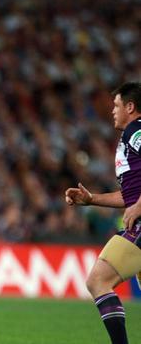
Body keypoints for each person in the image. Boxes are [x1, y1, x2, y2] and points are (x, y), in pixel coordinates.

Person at [65, 82, 141, 344]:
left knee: (98, 281)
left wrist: (140, 205)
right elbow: (128, 196)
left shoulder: (137, 131)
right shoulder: (128, 139)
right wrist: (91, 199)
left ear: (130, 107)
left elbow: (135, 201)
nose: (113, 111)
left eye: (117, 105)